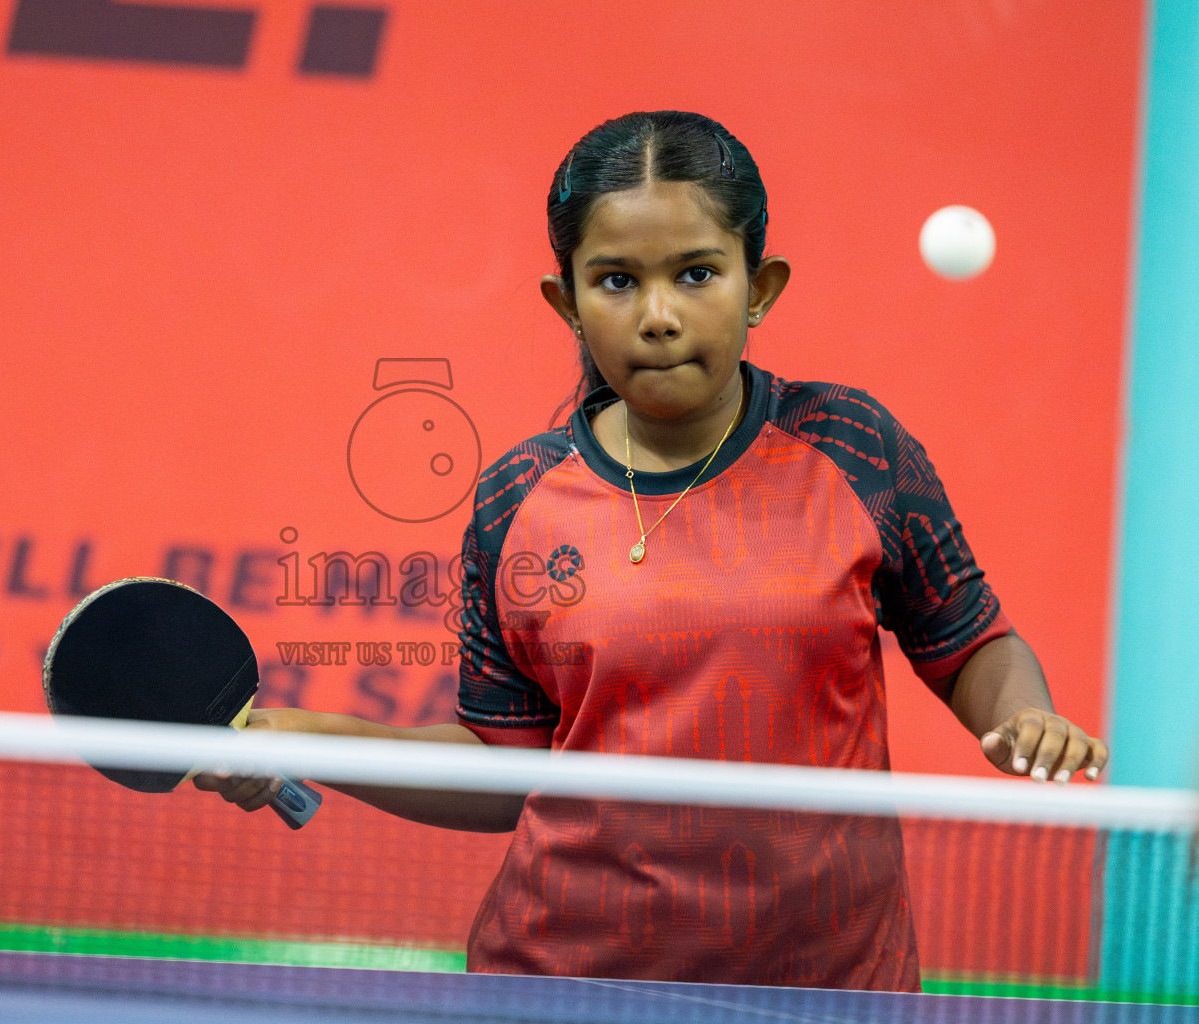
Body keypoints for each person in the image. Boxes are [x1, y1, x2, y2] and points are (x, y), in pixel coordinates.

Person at [194, 111, 1108, 990]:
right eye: (618, 280)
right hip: (565, 982)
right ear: (567, 300)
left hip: (822, 986)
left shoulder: (854, 448)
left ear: (762, 287)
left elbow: (972, 641)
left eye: (698, 274)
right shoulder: (518, 499)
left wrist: (1024, 717)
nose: (659, 314)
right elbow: (505, 771)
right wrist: (311, 737)